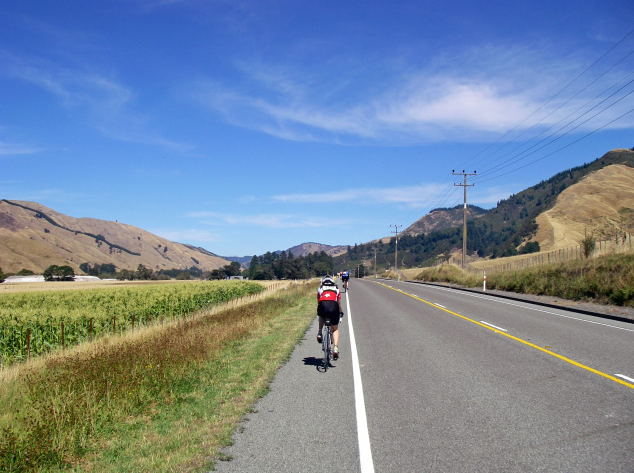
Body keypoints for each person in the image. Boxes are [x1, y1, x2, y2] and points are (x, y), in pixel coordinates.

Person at [316, 275, 342, 360]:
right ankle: (335, 347)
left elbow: (318, 301)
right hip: (334, 307)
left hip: (323, 306)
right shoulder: (337, 289)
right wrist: (340, 312)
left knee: (321, 315)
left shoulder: (320, 288)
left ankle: (320, 332)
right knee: (334, 329)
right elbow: (339, 303)